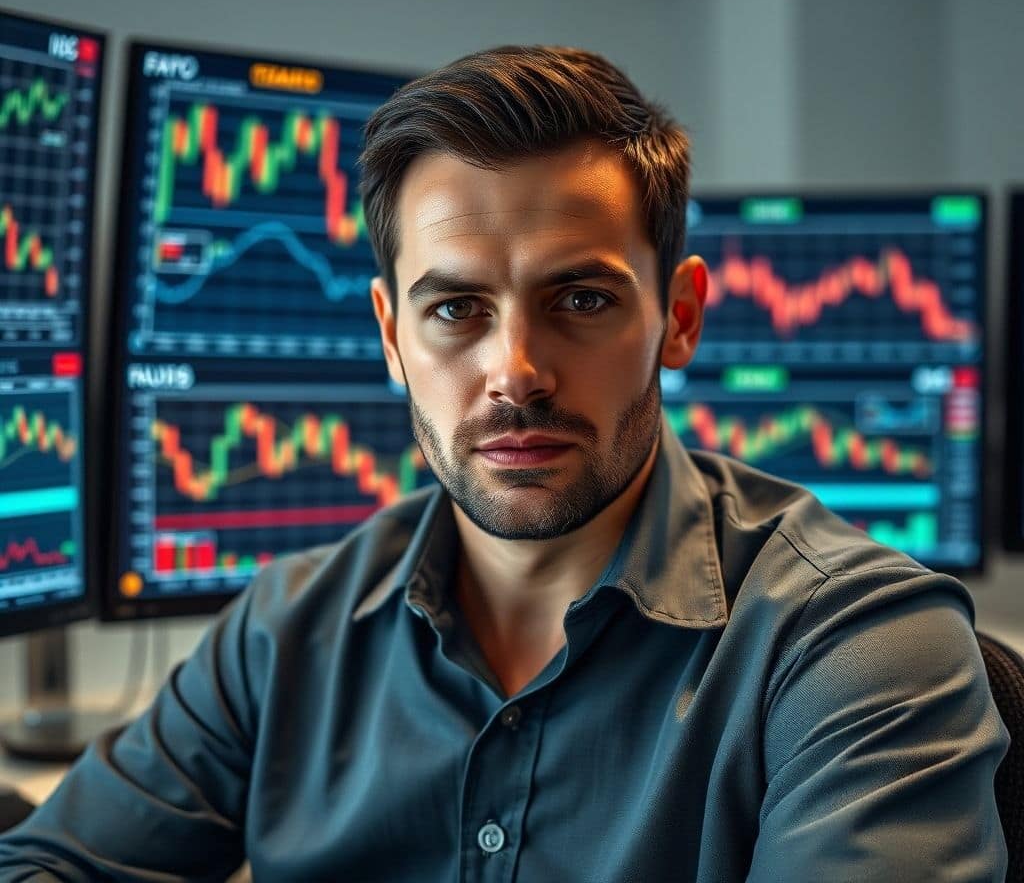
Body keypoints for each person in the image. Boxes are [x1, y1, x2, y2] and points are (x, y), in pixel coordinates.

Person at [0, 46, 1008, 882]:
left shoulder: (855, 645)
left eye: (579, 300)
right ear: (392, 336)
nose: (515, 374)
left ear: (680, 317)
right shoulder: (286, 629)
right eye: (455, 309)